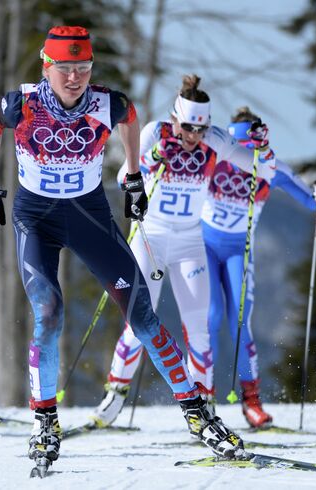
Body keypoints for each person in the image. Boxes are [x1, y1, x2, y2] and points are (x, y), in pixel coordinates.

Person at [0, 26, 251, 469]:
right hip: (36, 219)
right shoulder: (22, 103)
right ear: (48, 67)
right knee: (47, 314)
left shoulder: (109, 103)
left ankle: (198, 414)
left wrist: (132, 174)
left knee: (143, 317)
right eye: (65, 70)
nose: (74, 79)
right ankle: (44, 421)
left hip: (89, 217)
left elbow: (130, 117)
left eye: (82, 69)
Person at [90, 77, 278, 428]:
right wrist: (147, 163)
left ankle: (203, 406)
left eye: (201, 128)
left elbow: (261, 169)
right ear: (174, 119)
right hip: (151, 237)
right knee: (138, 322)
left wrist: (263, 149)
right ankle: (114, 395)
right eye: (189, 127)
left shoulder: (214, 140)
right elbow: (120, 179)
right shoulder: (154, 133)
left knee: (199, 327)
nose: (194, 136)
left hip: (190, 241)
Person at [201, 106, 316, 428]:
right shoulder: (216, 152)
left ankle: (252, 401)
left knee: (239, 324)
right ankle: (202, 401)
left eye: (250, 148)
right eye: (239, 147)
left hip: (238, 251)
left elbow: (309, 198)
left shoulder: (269, 164)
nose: (243, 156)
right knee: (211, 317)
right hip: (202, 245)